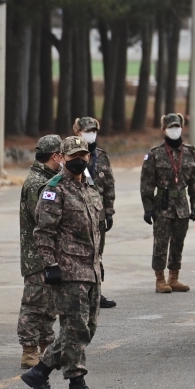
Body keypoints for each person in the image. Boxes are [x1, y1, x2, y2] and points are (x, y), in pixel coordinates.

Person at [21, 136, 105, 389]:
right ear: (63, 158)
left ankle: (40, 371)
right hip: (67, 272)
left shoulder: (90, 189)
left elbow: (94, 231)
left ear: (88, 157)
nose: (79, 160)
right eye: (73, 156)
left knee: (86, 329)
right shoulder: (54, 189)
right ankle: (76, 385)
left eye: (83, 155)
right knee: (74, 329)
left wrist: (98, 263)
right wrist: (50, 266)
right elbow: (43, 232)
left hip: (90, 270)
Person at [140, 114, 195, 293]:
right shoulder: (155, 154)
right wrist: (148, 208)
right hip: (163, 204)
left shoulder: (190, 152)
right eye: (170, 127)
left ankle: (174, 277)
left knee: (178, 242)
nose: (174, 130)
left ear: (182, 127)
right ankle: (160, 279)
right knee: (160, 243)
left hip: (182, 205)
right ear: (164, 129)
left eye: (177, 126)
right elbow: (146, 183)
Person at [18, 135, 62, 369]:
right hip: (37, 254)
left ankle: (46, 347)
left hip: (48, 254)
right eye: (63, 154)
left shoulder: (48, 179)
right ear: (55, 156)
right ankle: (29, 350)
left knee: (48, 304)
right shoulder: (38, 183)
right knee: (33, 304)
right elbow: (43, 219)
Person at [72, 117, 116, 309]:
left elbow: (109, 186)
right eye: (86, 130)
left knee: (97, 254)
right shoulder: (70, 156)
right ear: (78, 132)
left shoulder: (102, 156)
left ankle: (96, 294)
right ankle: (77, 294)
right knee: (75, 255)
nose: (91, 134)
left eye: (93, 130)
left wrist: (109, 211)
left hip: (97, 215)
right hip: (76, 215)